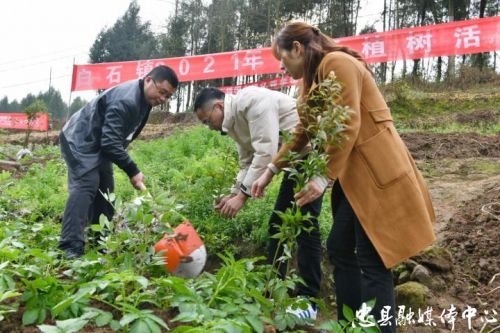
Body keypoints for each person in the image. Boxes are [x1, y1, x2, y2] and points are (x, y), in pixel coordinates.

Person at [252, 21, 436, 332]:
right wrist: (270, 170)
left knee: (373, 257)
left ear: (297, 49)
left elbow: (349, 121)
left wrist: (322, 177)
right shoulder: (313, 80)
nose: (282, 67)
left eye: (282, 60)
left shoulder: (337, 63)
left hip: (377, 173)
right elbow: (303, 133)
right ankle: (350, 325)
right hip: (356, 180)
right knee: (339, 246)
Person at [193, 86, 324, 320]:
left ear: (219, 106)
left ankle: (309, 301)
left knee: (305, 223)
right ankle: (273, 290)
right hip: (292, 161)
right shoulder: (233, 123)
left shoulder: (251, 102)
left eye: (206, 120)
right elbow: (246, 163)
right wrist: (233, 194)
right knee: (277, 223)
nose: (208, 126)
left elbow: (265, 152)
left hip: (310, 154)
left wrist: (242, 198)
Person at [59, 65, 179, 259]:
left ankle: (101, 241)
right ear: (148, 80)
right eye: (162, 92)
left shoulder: (145, 99)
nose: (163, 99)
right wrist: (132, 169)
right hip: (80, 140)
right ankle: (70, 247)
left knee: (106, 191)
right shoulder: (126, 100)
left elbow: (116, 138)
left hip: (98, 145)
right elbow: (110, 142)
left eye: (167, 96)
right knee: (86, 185)